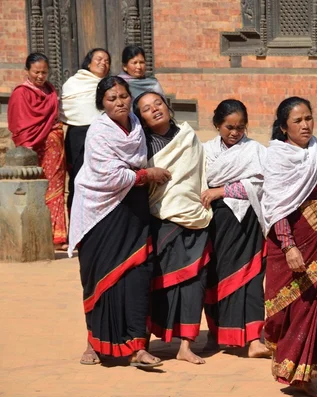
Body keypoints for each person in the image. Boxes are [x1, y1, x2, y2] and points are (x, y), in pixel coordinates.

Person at [68, 76, 171, 367]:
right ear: (102, 103)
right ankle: (94, 343)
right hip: (99, 211)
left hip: (132, 209)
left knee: (137, 274)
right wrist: (146, 175)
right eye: (112, 98)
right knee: (99, 279)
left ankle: (138, 346)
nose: (119, 102)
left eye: (123, 96)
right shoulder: (98, 132)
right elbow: (108, 176)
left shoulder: (137, 125)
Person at [261, 97, 317, 397]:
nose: (305, 125)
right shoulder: (278, 157)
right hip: (291, 241)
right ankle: (290, 367)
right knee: (292, 307)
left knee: (316, 304)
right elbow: (276, 206)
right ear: (283, 127)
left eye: (309, 118)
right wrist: (289, 246)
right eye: (297, 121)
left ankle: (303, 375)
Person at [133, 91, 213, 364]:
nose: (155, 109)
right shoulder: (141, 144)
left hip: (194, 216)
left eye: (158, 103)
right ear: (141, 118)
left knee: (195, 283)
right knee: (156, 282)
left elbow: (201, 172)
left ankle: (186, 346)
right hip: (162, 219)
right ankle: (142, 342)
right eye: (146, 108)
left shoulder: (188, 137)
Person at [201, 99, 270, 358]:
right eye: (229, 127)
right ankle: (216, 334)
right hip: (216, 222)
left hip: (246, 222)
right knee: (215, 278)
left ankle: (253, 339)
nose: (234, 132)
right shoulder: (205, 151)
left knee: (251, 277)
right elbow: (198, 182)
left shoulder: (255, 151)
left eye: (240, 127)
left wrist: (222, 190)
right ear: (217, 124)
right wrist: (213, 193)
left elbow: (262, 183)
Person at [8, 53, 68, 250]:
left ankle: (57, 235)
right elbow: (20, 125)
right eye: (36, 72)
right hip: (33, 149)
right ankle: (37, 233)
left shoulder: (50, 90)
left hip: (54, 148)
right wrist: (28, 145)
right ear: (27, 72)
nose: (41, 76)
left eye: (44, 72)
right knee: (36, 188)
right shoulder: (20, 93)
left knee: (56, 189)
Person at [60, 48, 111, 210]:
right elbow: (67, 108)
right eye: (99, 59)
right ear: (88, 63)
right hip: (78, 136)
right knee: (78, 178)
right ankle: (75, 220)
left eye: (107, 61)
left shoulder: (109, 86)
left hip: (104, 136)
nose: (103, 63)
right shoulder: (73, 84)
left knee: (102, 178)